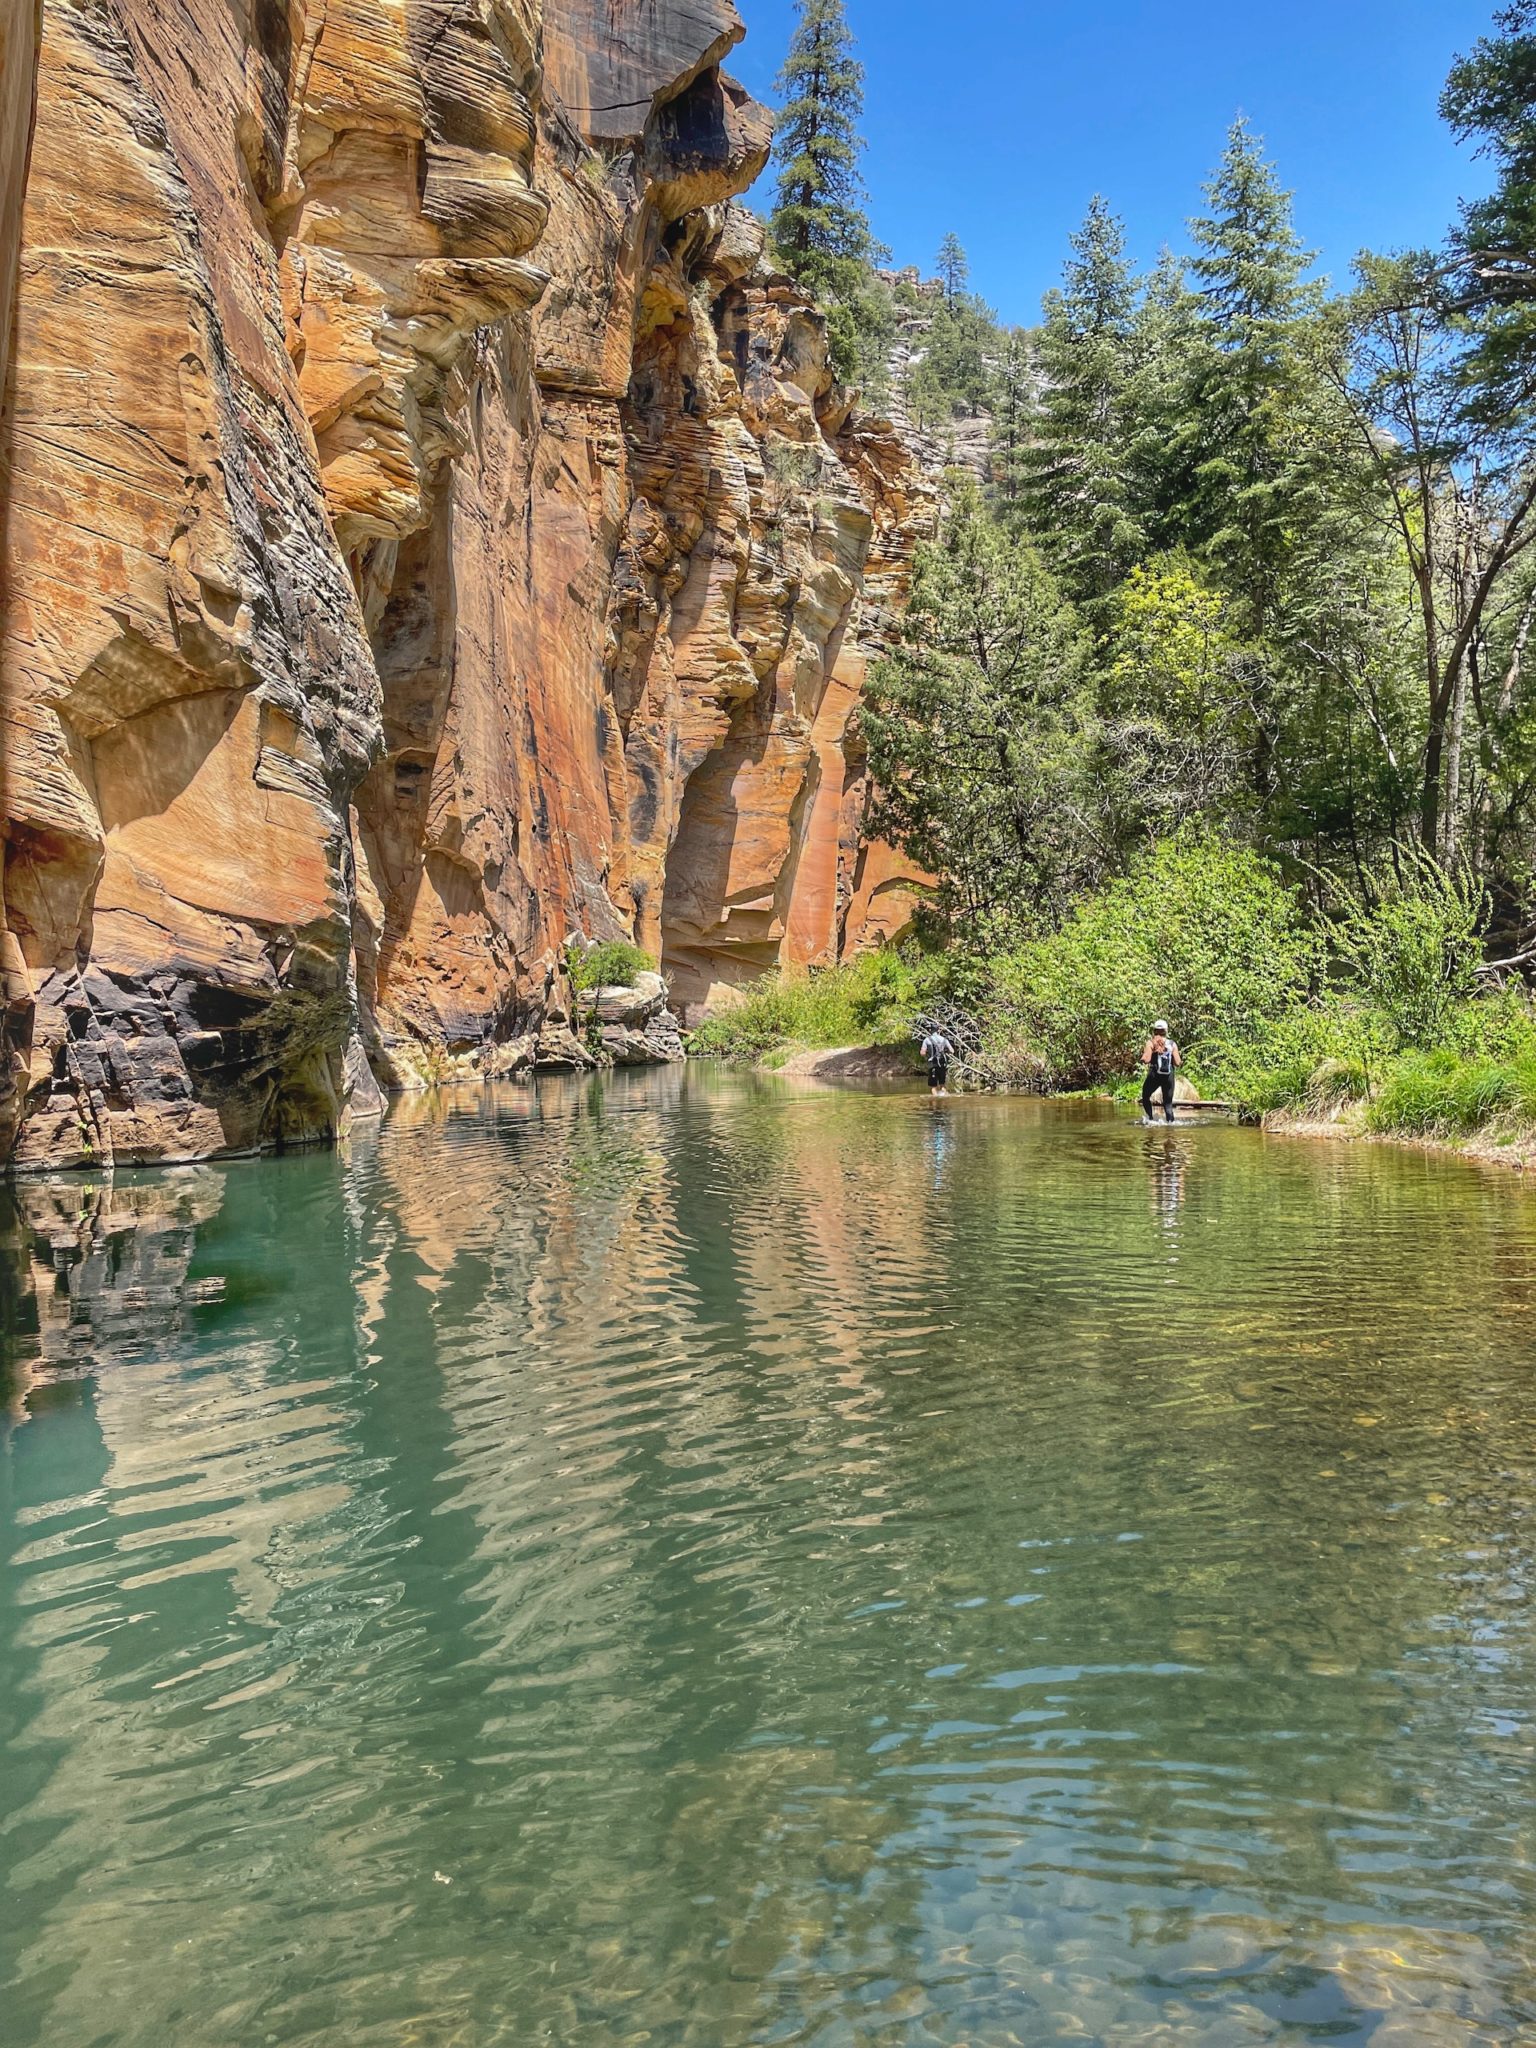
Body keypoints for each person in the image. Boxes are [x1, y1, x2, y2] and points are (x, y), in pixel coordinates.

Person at [1140, 1020, 1181, 1123]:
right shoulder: (1172, 1044)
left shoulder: (1151, 1043)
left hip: (1154, 1075)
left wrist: (1143, 1058)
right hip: (1168, 1076)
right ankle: (1170, 1126)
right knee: (1168, 1104)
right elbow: (1177, 1062)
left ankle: (1150, 1119)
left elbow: (1147, 1059)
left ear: (1154, 1031)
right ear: (1166, 1031)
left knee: (1145, 1096)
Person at [919, 1026, 955, 1096]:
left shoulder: (927, 1040)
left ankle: (936, 1102)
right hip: (942, 1065)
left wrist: (925, 1052)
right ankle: (945, 1098)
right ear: (938, 1030)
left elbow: (922, 1053)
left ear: (930, 1030)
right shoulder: (944, 1039)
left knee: (933, 1086)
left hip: (933, 1065)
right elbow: (952, 1051)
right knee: (942, 1084)